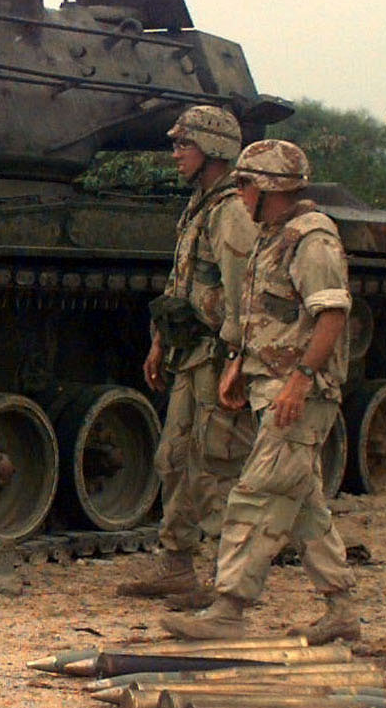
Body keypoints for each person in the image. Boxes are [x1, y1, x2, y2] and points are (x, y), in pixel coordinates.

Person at [161, 139, 361, 645]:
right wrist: (236, 362)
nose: (240, 193)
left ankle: (229, 608)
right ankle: (342, 610)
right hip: (269, 385)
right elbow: (260, 317)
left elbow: (331, 315)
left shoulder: (310, 240)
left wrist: (301, 380)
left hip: (299, 396)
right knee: (304, 505)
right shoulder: (271, 236)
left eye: (246, 183)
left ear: (267, 187)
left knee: (255, 496)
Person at [117, 106, 256, 608]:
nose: (175, 153)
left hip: (217, 357)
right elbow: (181, 283)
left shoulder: (232, 212)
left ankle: (228, 582)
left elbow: (244, 296)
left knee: (216, 466)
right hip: (189, 353)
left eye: (184, 145)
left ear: (213, 149)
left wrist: (239, 359)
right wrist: (160, 339)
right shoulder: (201, 205)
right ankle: (176, 565)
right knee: (174, 458)